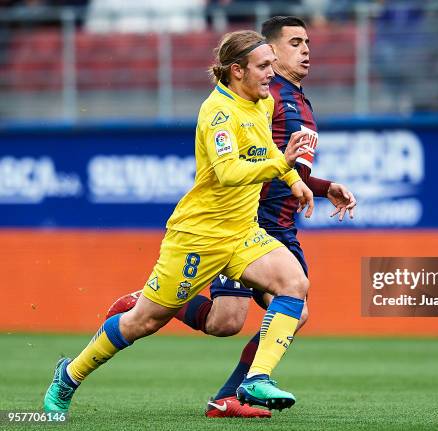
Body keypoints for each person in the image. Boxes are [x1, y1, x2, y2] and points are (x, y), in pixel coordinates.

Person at [43, 29, 319, 414]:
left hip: (242, 233)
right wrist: (283, 164)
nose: (272, 73)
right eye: (264, 66)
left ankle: (256, 379)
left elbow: (265, 146)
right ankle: (68, 375)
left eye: (273, 65)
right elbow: (228, 172)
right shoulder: (217, 113)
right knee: (141, 323)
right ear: (237, 71)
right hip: (197, 237)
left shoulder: (262, 101)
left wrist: (292, 180)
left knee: (294, 284)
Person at [105, 16, 357, 418]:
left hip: (280, 221)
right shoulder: (259, 94)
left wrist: (321, 187)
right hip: (250, 222)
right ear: (269, 53)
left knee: (249, 316)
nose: (306, 49)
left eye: (307, 41)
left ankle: (226, 394)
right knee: (255, 316)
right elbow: (248, 161)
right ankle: (156, 309)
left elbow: (284, 163)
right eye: (295, 43)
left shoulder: (293, 98)